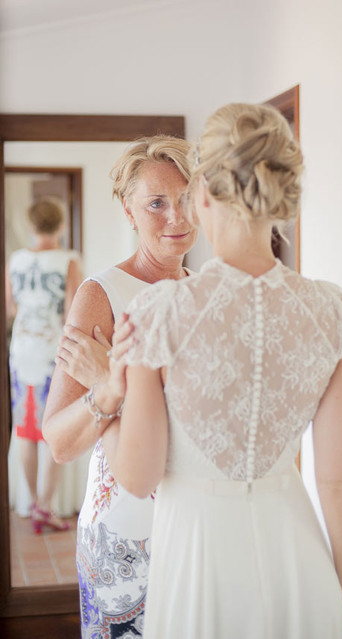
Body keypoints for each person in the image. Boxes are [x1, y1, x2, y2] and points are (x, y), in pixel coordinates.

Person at [90, 103, 342, 638]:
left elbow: (137, 477)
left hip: (198, 561)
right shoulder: (332, 311)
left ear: (201, 194)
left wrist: (106, 397)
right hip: (298, 558)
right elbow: (340, 478)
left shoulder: (158, 314)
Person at [42, 135, 197, 639]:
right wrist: (107, 389)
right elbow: (59, 442)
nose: (177, 217)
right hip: (124, 534)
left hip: (195, 524)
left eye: (187, 198)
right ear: (129, 211)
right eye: (157, 203)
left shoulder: (207, 294)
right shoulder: (101, 295)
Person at [5, 198, 82, 533]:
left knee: (25, 428)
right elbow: (73, 312)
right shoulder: (69, 260)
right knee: (53, 425)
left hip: (22, 349)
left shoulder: (16, 260)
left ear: (31, 225)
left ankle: (34, 500)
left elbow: (9, 308)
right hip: (53, 351)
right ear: (60, 224)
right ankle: (46, 507)